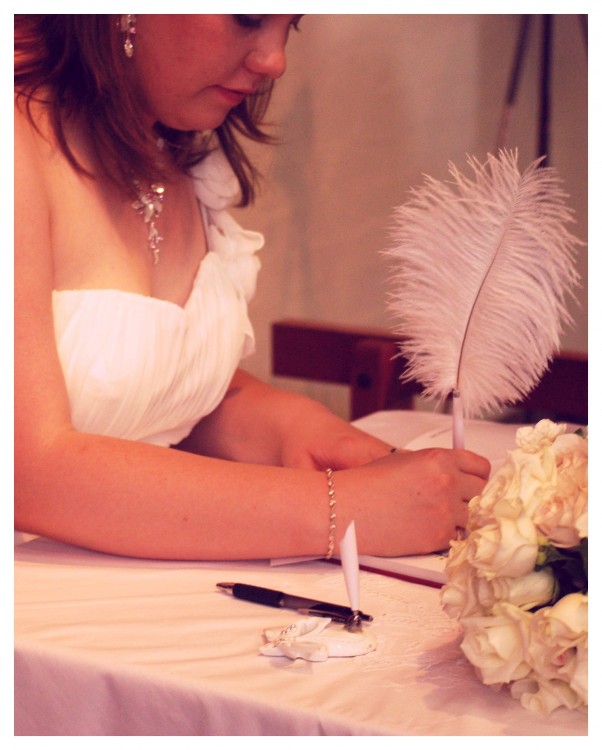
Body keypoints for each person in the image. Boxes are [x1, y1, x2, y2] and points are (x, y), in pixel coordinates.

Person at [14, 14, 490, 561]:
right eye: (248, 17)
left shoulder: (173, 147)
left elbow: (141, 391)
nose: (275, 61)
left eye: (292, 26)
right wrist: (340, 510)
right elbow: (26, 468)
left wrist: (293, 426)